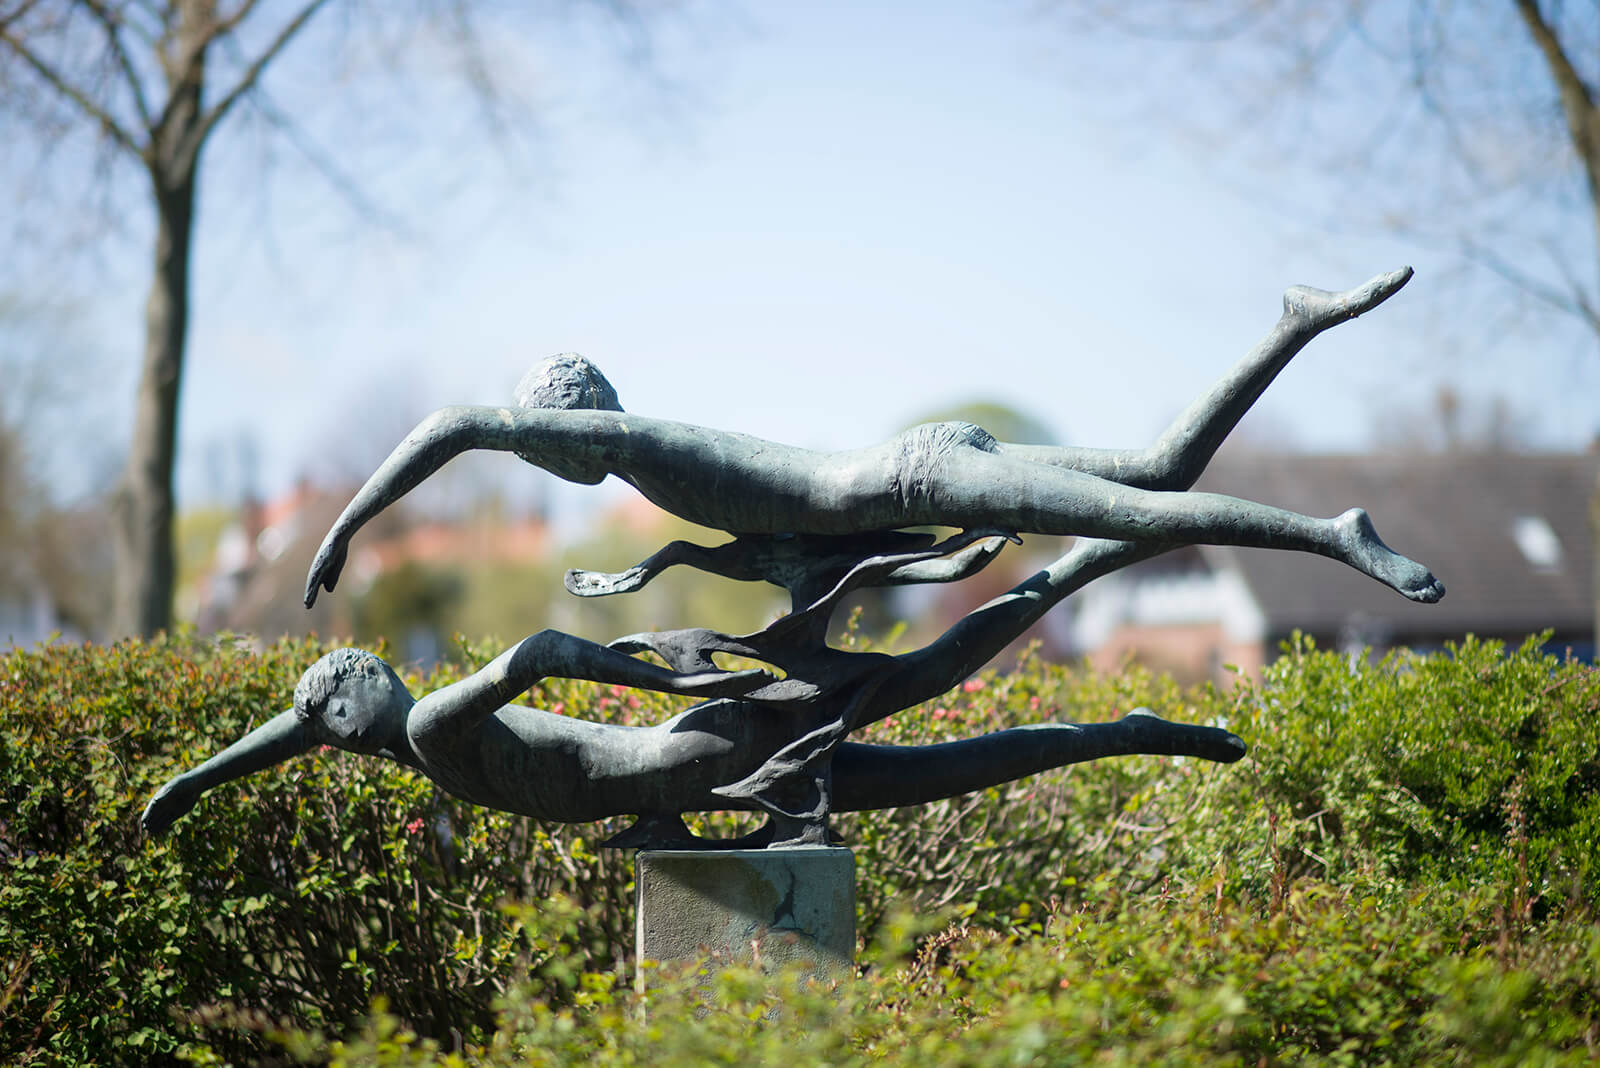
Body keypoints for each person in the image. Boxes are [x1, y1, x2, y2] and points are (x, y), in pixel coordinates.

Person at [303, 268, 1443, 611]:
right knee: (1155, 472)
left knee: (1148, 505)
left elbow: (458, 424)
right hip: (914, 472)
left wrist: (349, 526)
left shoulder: (626, 436)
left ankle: (1327, 535)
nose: (543, 459)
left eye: (543, 437)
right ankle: (1290, 325)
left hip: (910, 469)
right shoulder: (647, 467)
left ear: (567, 416)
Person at [140, 635, 1244, 843]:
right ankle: (1126, 731)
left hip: (700, 756)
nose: (324, 731)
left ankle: (1122, 722)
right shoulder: (398, 734)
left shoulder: (431, 724)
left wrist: (654, 666)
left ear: (367, 703)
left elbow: (532, 652)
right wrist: (192, 781)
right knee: (944, 760)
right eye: (322, 723)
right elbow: (282, 732)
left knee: (923, 699)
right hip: (691, 776)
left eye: (333, 713)